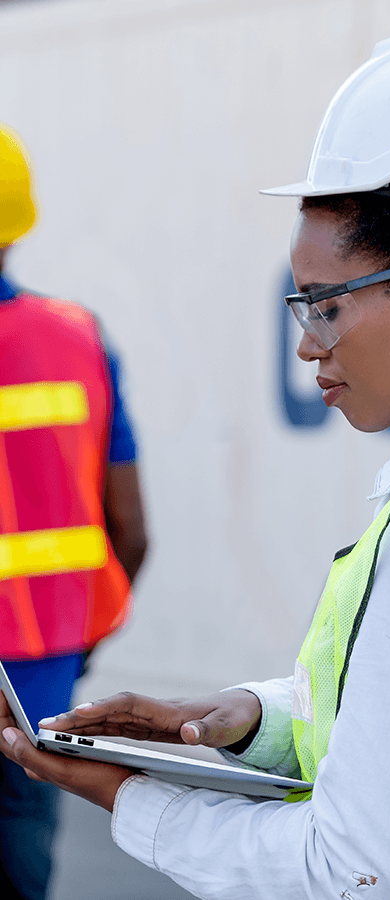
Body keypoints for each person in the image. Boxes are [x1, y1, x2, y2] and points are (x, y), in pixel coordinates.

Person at [2, 28, 390, 900]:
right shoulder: (76, 337)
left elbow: (352, 873)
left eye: (325, 306)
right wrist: (250, 720)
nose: (309, 345)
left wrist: (131, 800)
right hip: (54, 656)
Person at [0, 124, 148, 900]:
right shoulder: (77, 339)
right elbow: (132, 530)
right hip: (44, 663)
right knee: (24, 846)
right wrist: (76, 639)